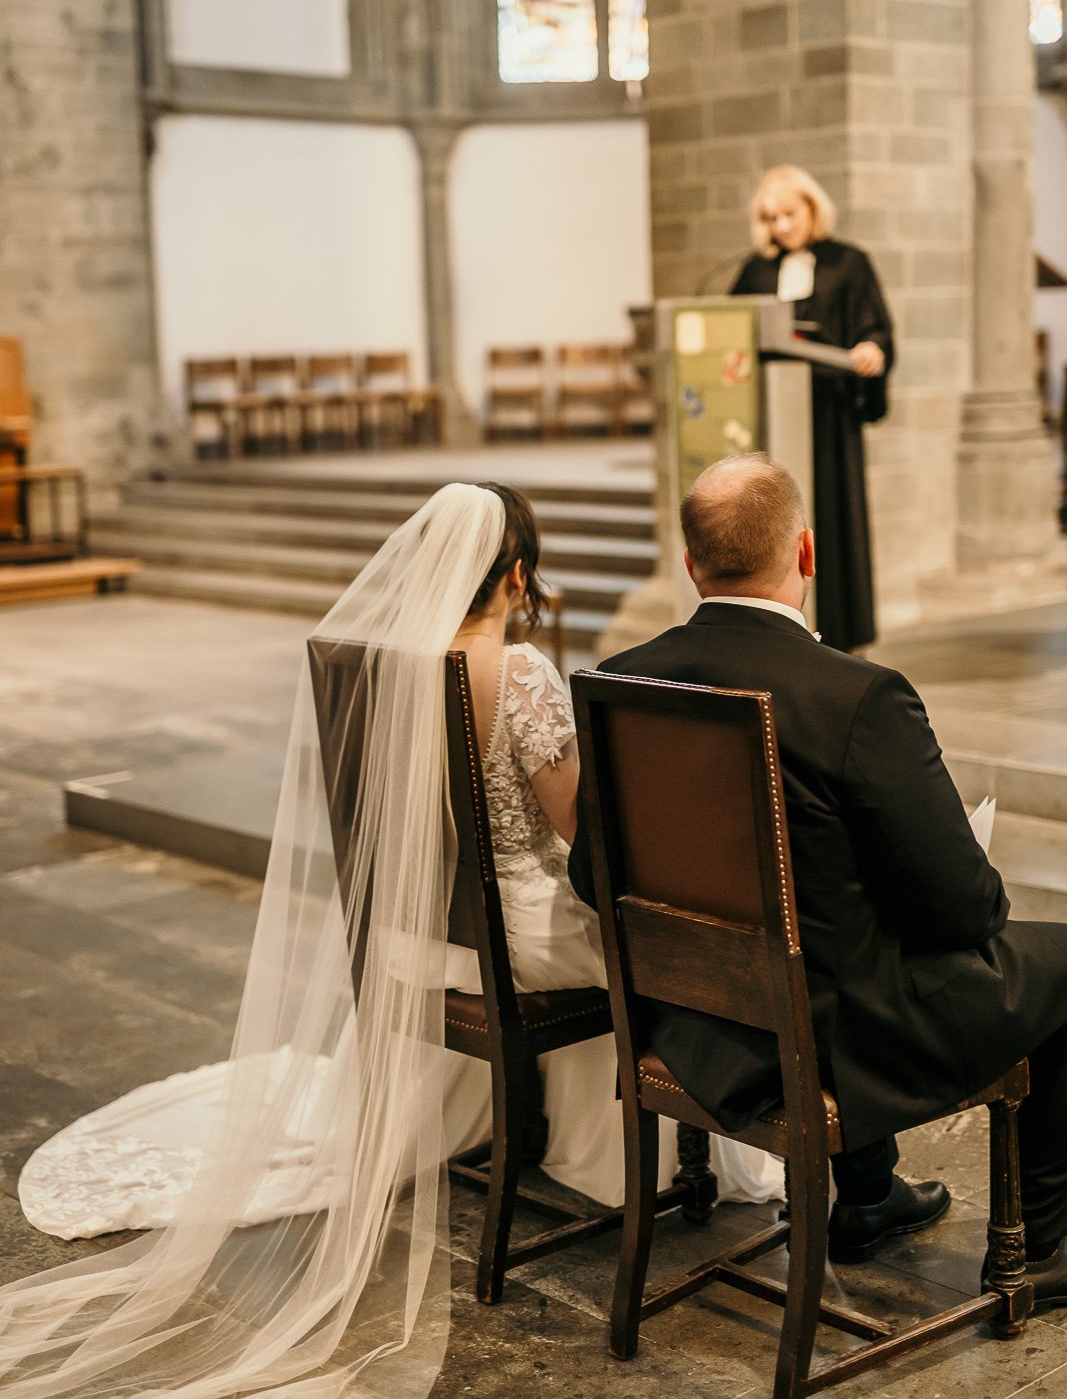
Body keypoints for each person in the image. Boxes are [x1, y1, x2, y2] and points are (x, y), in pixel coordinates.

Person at [1, 482, 778, 1399]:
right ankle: (636, 1153)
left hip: (417, 937)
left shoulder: (380, 665)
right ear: (518, 574)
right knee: (673, 941)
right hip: (519, 941)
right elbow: (582, 835)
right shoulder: (517, 671)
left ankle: (553, 1132)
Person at [569, 455, 1067, 1295]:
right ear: (805, 552)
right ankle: (1046, 1254)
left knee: (836, 927)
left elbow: (593, 876)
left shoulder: (619, 680)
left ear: (691, 564)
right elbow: (963, 911)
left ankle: (868, 1197)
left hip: (698, 1025)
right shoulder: (857, 695)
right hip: (830, 1031)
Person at [730, 165, 894, 653]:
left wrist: (873, 350)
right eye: (771, 217)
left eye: (789, 214)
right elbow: (732, 330)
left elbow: (877, 328)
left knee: (831, 519)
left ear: (812, 209)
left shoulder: (849, 263)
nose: (781, 226)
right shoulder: (755, 270)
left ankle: (844, 637)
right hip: (772, 420)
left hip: (828, 417)